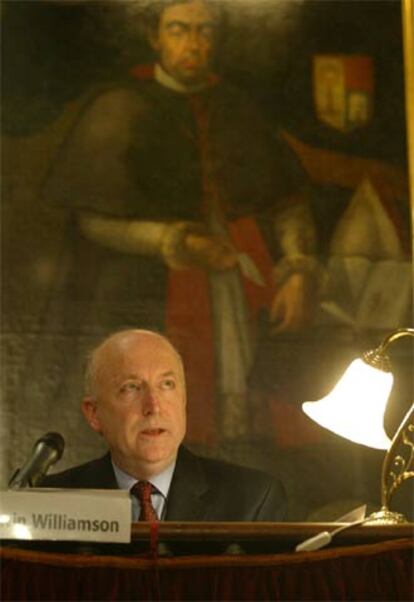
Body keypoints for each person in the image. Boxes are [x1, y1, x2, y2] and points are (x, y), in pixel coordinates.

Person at [44, 0, 319, 444]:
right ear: (155, 37)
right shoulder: (118, 106)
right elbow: (91, 221)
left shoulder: (239, 108)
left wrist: (300, 266)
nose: (193, 42)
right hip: (148, 286)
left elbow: (288, 202)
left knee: (256, 421)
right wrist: (171, 240)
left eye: (204, 31)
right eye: (178, 29)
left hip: (244, 286)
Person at [42, 329, 287, 522]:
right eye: (131, 388)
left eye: (167, 385)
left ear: (184, 399)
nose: (154, 406)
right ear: (94, 413)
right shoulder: (49, 503)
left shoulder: (253, 499)